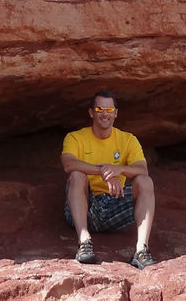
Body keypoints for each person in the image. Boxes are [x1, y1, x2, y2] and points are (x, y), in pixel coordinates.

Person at [61, 90, 156, 268]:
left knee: (145, 182)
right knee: (76, 175)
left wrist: (118, 169)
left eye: (109, 110)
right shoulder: (75, 137)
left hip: (114, 203)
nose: (105, 114)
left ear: (116, 113)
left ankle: (141, 250)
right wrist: (103, 172)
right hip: (87, 205)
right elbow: (68, 163)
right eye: (99, 109)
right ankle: (84, 242)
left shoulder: (128, 140)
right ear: (91, 112)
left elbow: (142, 169)